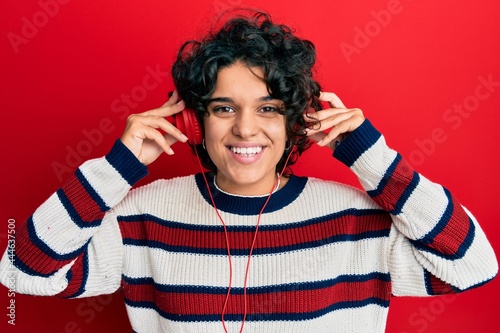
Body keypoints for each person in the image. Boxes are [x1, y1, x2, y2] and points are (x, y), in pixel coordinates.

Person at [0, 10, 497, 333]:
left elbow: (474, 268)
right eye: (222, 109)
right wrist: (118, 167)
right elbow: (24, 272)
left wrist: (373, 158)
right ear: (195, 119)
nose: (244, 129)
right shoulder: (144, 216)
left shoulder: (355, 220)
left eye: (267, 108)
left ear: (296, 118)